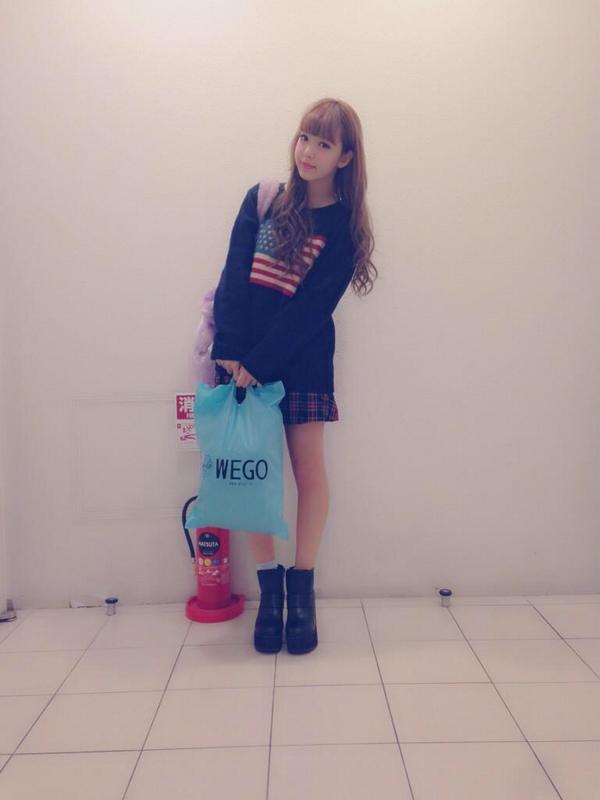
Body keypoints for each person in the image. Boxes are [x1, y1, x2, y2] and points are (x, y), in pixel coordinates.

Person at [211, 97, 377, 655]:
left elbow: (311, 310)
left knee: (308, 474)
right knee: (253, 475)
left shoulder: (343, 229)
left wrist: (259, 364)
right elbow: (233, 278)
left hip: (301, 364)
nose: (308, 151)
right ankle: (270, 596)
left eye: (324, 144)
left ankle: (302, 591)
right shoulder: (264, 200)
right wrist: (232, 354)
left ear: (345, 157)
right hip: (241, 366)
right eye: (306, 137)